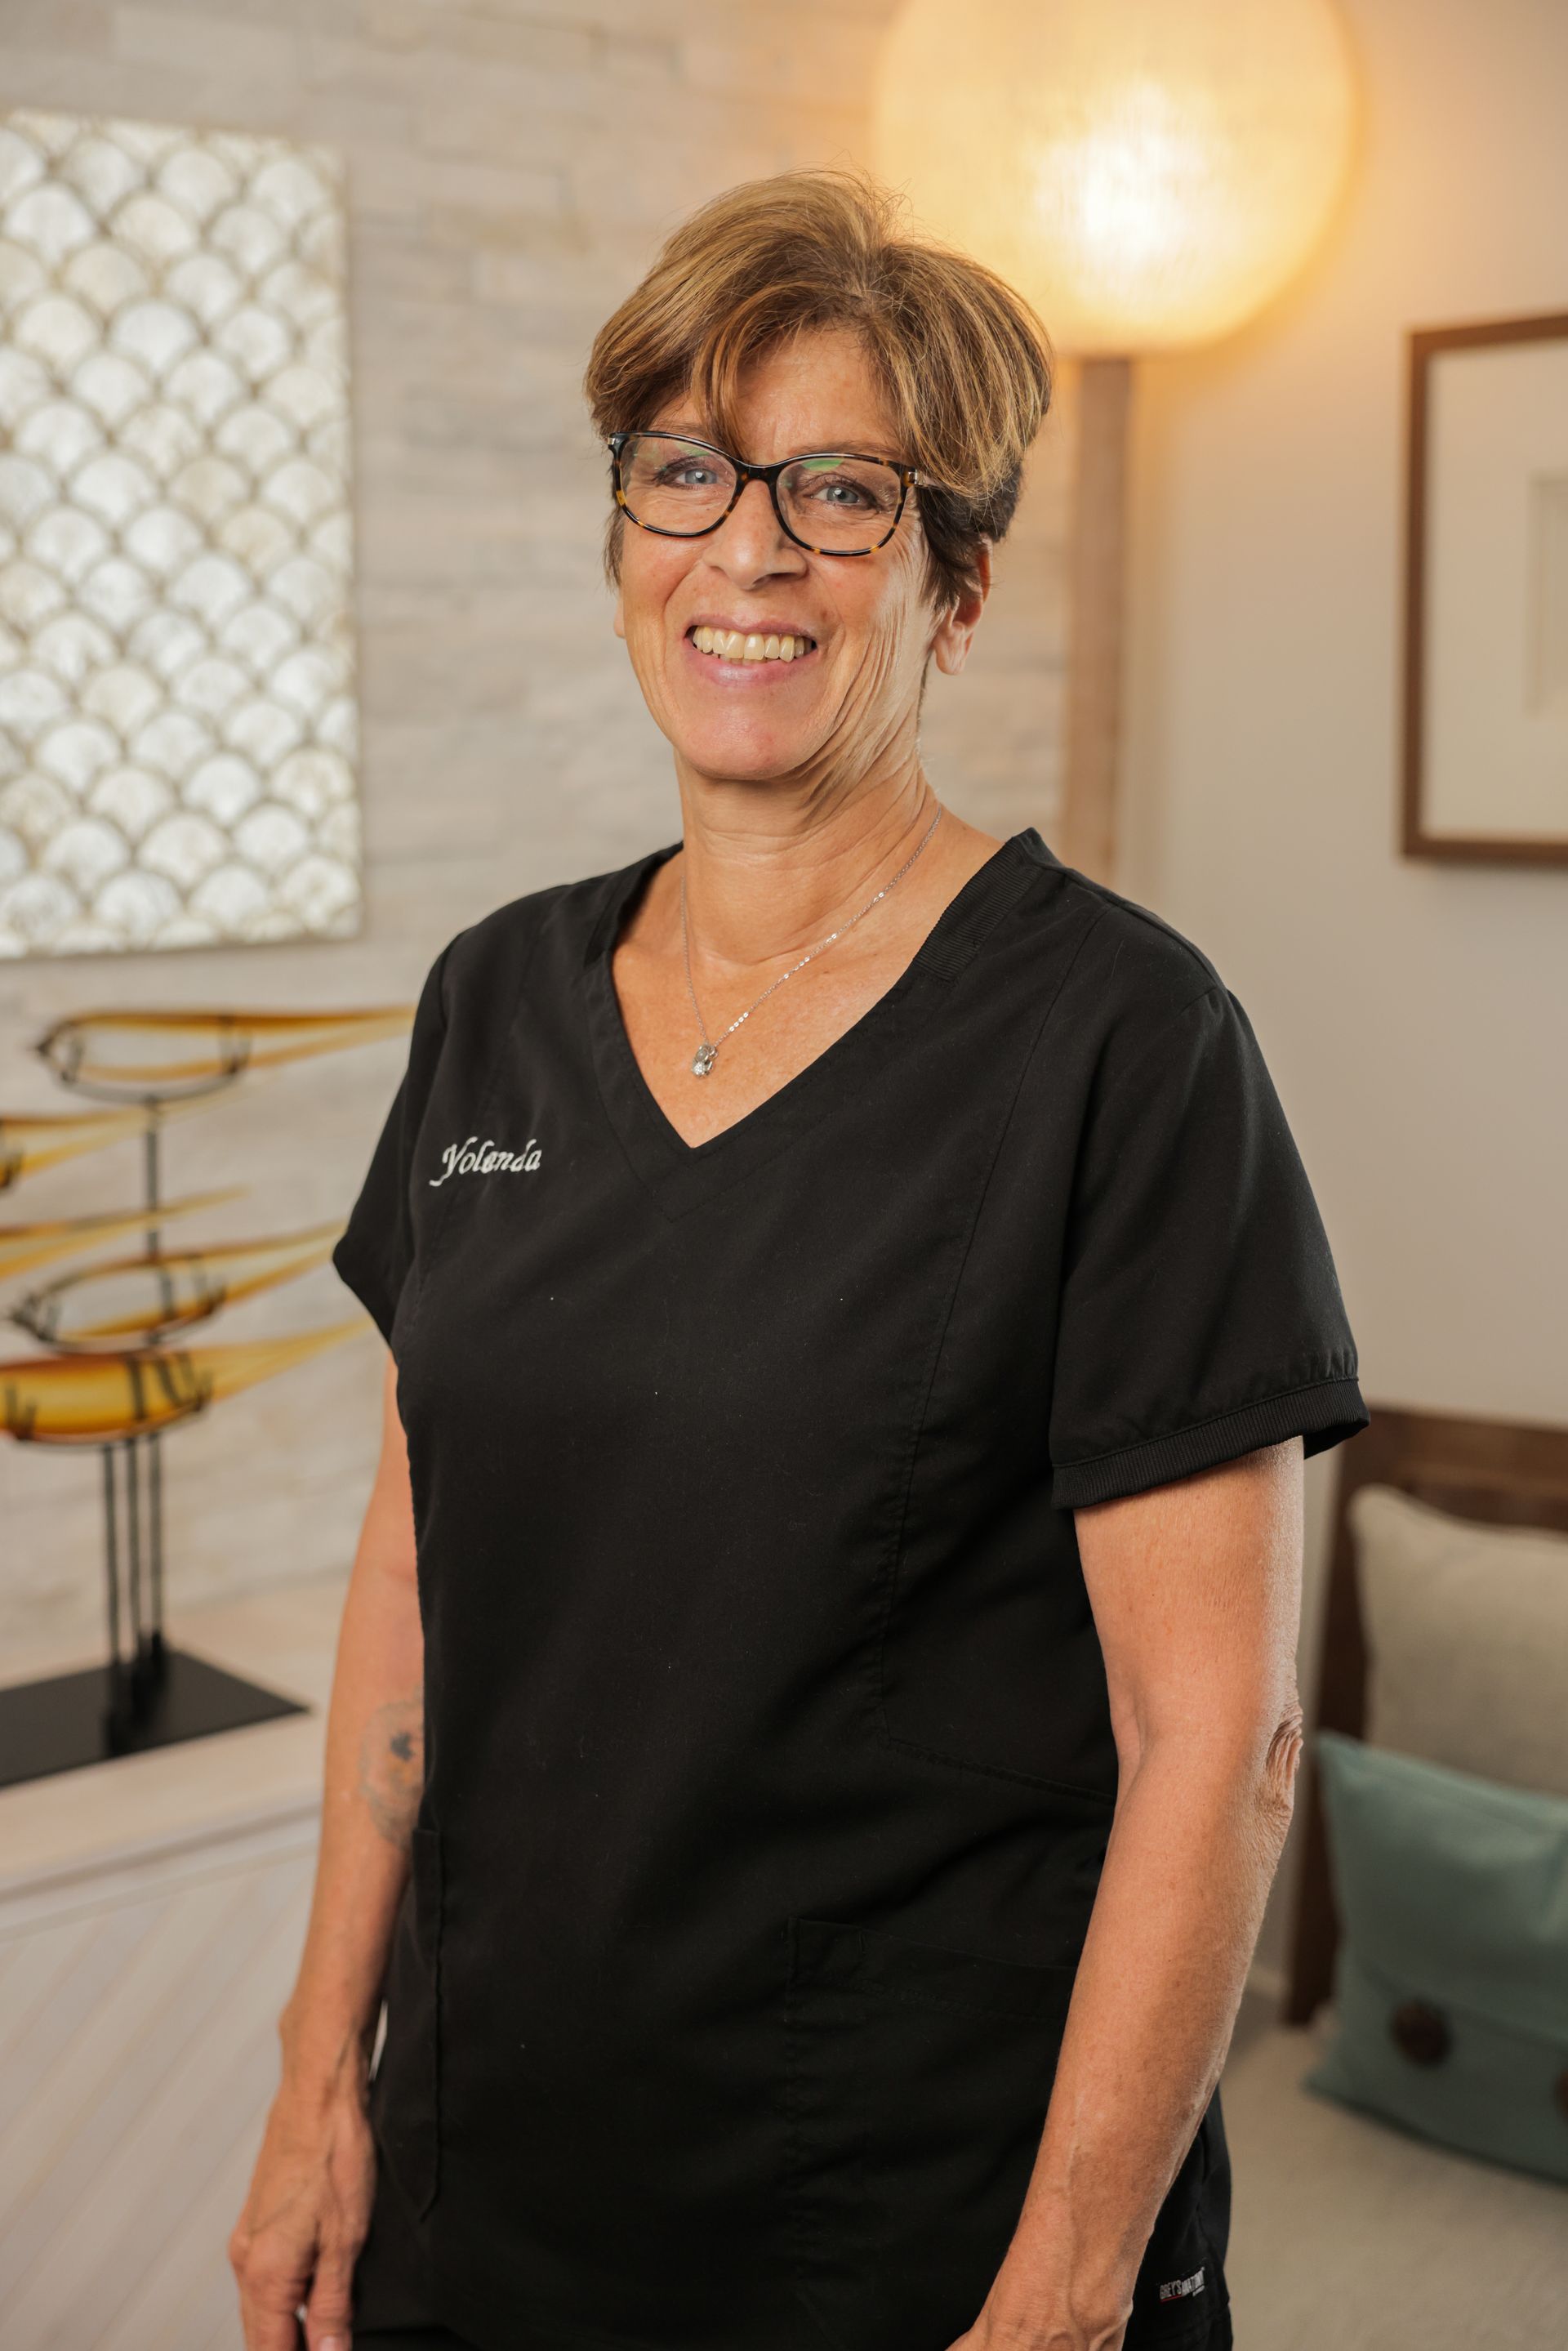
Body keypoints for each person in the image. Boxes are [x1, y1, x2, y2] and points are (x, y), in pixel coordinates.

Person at [229, 167, 1368, 2351]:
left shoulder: (1123, 1045)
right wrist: (315, 2075)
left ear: (953, 585)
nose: (746, 548)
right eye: (686, 473)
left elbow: (1211, 1729)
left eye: (839, 493)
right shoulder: (499, 998)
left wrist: (1059, 2301)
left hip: (906, 2223)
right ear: (623, 540)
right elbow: (415, 1568)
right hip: (498, 2172)